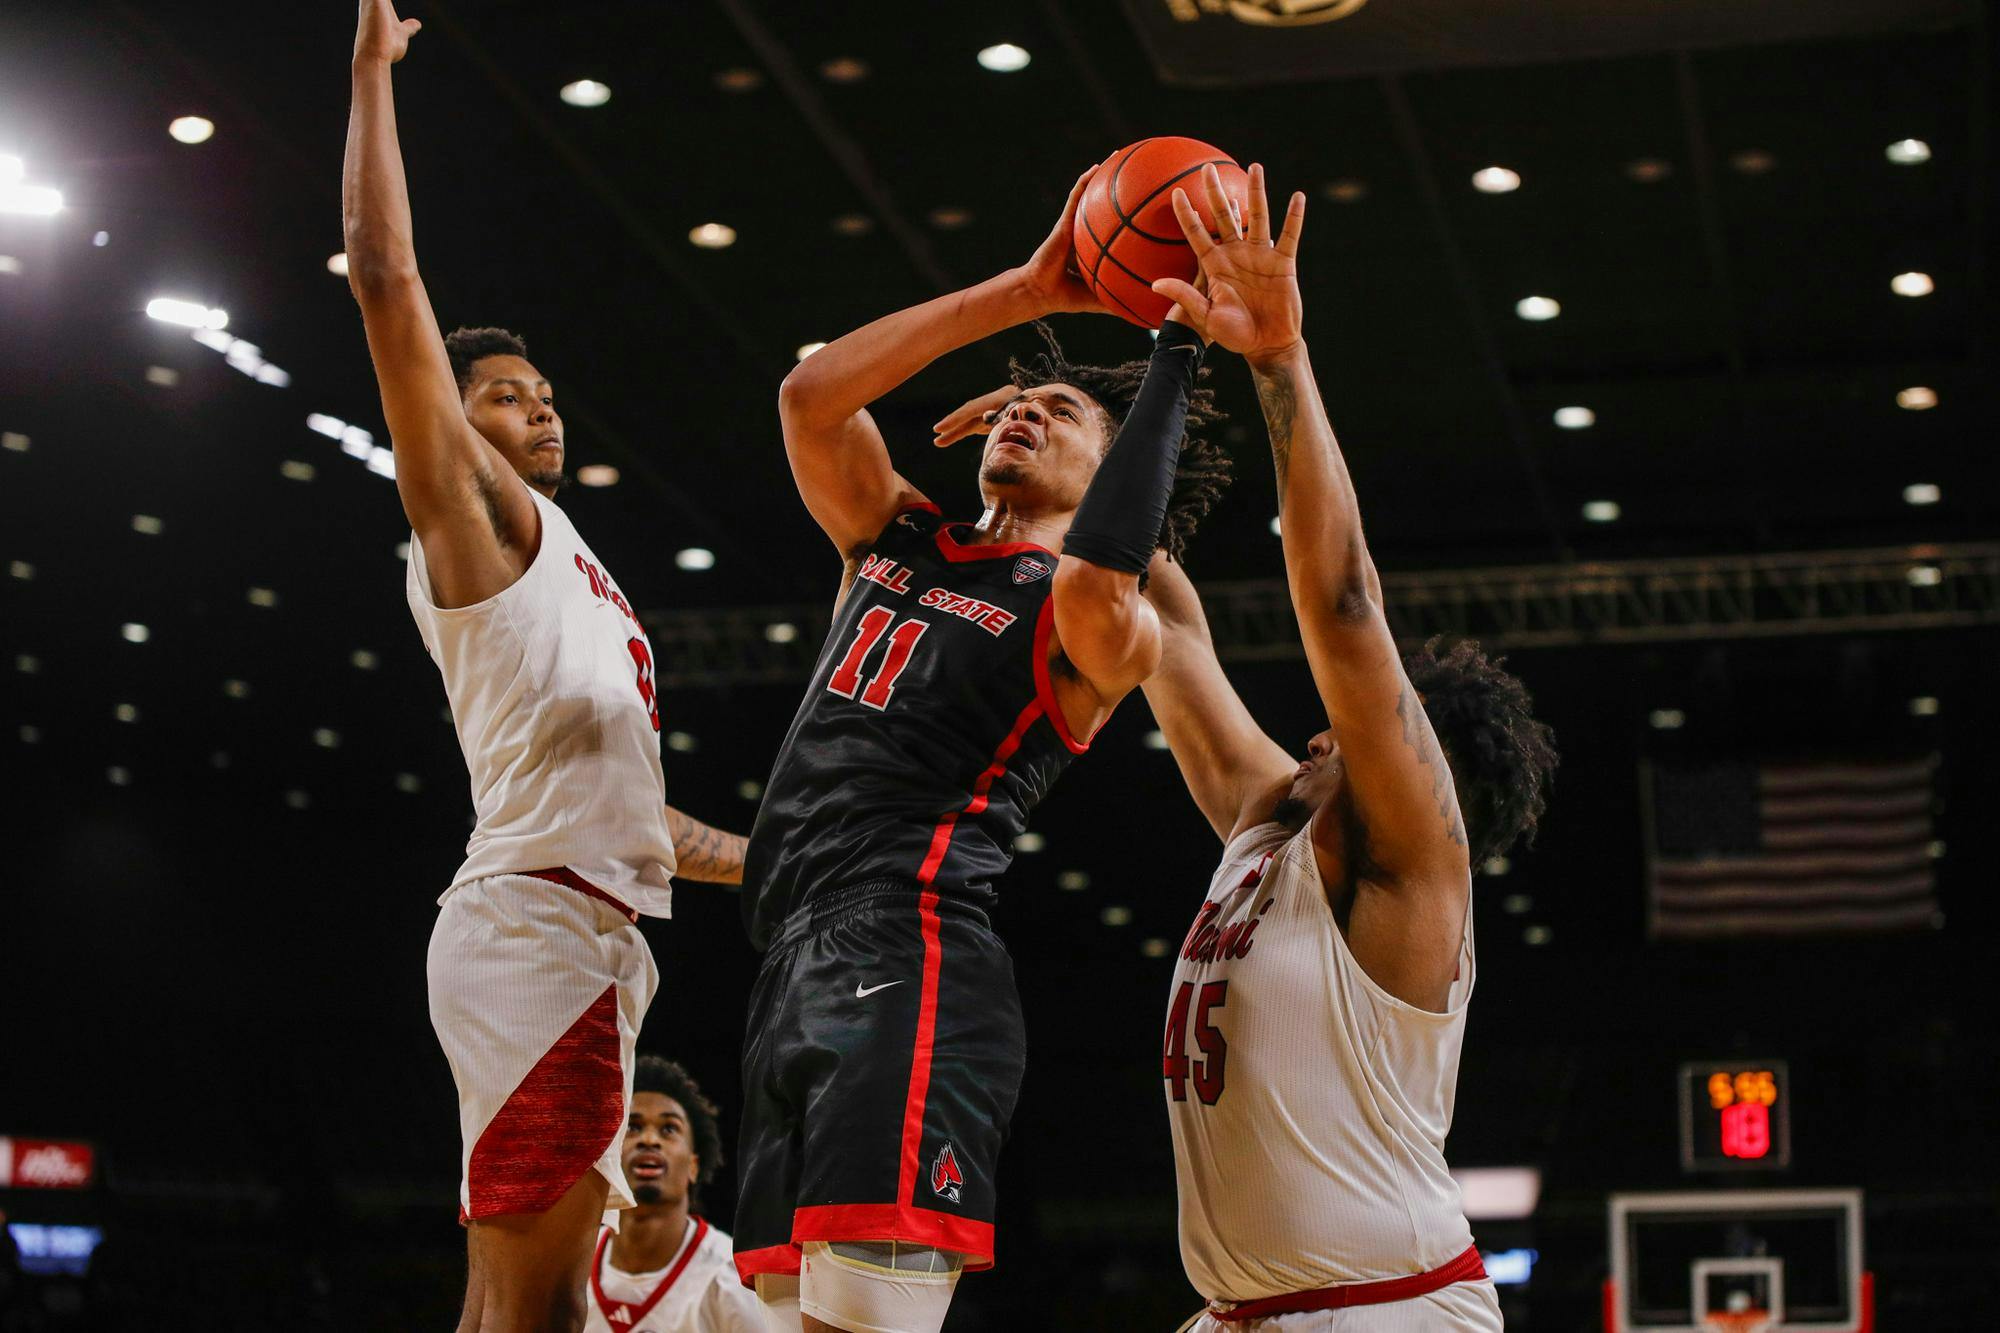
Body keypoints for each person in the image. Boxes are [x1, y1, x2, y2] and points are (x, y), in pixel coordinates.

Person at [731, 166, 1232, 1333]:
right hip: (788, 953)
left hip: (910, 956)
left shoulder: (1095, 616)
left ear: (1113, 476)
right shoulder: (898, 536)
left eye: (1058, 415)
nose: (1023, 412)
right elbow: (809, 396)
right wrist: (1026, 289)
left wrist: (1174, 352)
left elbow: (1112, 563)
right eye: (1015, 403)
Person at [342, 4, 744, 1328]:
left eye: (545, 390)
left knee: (529, 1305)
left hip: (580, 921)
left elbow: (630, 813)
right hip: (538, 925)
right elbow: (386, 278)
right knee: (538, 1313)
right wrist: (370, 75)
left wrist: (769, 857)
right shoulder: (473, 517)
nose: (542, 404)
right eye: (508, 392)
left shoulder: (571, 559)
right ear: (448, 427)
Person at [1140, 166, 1558, 1328]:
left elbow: (1341, 605)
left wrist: (1276, 357)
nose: (1320, 727)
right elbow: (1166, 634)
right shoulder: (1265, 821)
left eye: (1351, 725)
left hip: (1384, 1308)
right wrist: (1084, 485)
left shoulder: (1411, 862)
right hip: (1246, 1311)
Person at [583, 1058, 765, 1332]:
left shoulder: (729, 1274)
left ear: (693, 1166)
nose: (649, 1140)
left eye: (669, 1129)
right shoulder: (574, 1263)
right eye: (633, 1127)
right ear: (610, 1155)